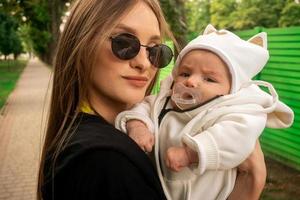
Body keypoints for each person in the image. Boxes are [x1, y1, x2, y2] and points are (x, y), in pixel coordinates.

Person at [37, 0, 268, 199]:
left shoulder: (90, 138)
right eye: (124, 43)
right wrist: (252, 185)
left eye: (155, 50)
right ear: (82, 43)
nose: (144, 63)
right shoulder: (105, 161)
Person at [115, 24, 294, 200]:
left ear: (232, 88)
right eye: (185, 73)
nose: (191, 82)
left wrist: (190, 154)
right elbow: (143, 107)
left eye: (209, 78)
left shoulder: (236, 110)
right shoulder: (164, 101)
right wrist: (138, 126)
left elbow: (235, 137)